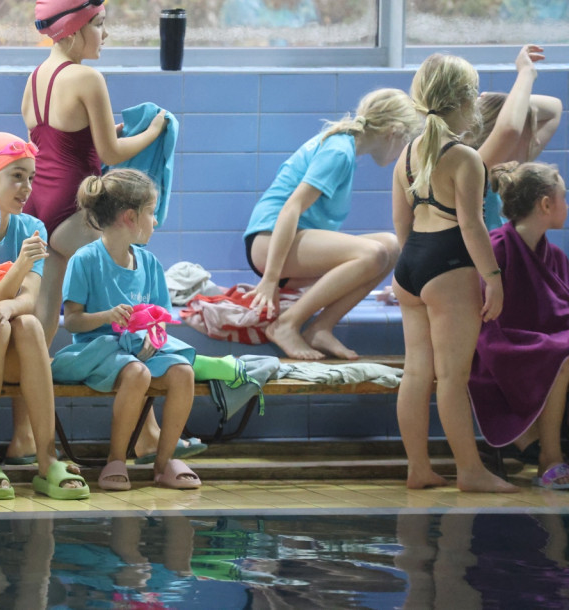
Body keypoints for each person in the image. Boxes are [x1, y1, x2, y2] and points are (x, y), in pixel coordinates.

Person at [392, 53, 517, 493]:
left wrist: (410, 267)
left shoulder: (408, 155)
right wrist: (494, 277)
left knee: (416, 372)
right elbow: (472, 224)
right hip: (449, 262)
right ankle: (469, 470)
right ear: (466, 100)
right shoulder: (465, 157)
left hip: (410, 265)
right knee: (452, 377)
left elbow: (401, 225)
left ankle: (418, 468)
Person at [21, 0, 168, 346]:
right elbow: (111, 154)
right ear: (72, 31)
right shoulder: (88, 78)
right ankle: (131, 381)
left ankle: (32, 383)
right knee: (131, 284)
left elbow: (55, 142)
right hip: (75, 205)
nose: (105, 34)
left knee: (45, 310)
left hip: (38, 203)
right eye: (99, 25)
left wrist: (104, 131)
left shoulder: (35, 78)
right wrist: (154, 130)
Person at [243, 88, 422, 360]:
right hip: (268, 243)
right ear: (394, 131)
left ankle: (321, 328)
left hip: (286, 244)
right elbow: (291, 208)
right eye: (407, 140)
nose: (402, 152)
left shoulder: (345, 147)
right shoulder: (339, 151)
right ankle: (286, 324)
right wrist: (270, 278)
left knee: (391, 246)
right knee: (372, 253)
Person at [50, 169, 200, 492]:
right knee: (137, 374)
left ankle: (164, 463)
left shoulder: (150, 264)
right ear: (130, 217)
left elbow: (161, 318)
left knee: (183, 373)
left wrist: (152, 336)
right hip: (97, 350)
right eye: (151, 212)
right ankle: (116, 459)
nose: (156, 221)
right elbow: (73, 321)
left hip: (137, 349)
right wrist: (107, 316)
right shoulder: (85, 260)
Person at [0, 132, 89, 501]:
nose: (27, 187)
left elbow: (30, 299)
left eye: (31, 177)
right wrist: (18, 267)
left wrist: (10, 303)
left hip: (8, 348)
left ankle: (46, 458)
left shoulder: (33, 228)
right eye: (16, 176)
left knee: (27, 323)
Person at [469, 162, 569, 489]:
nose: (566, 206)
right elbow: (484, 321)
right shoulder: (496, 248)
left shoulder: (553, 254)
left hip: (537, 342)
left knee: (560, 348)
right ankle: (549, 458)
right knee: (562, 354)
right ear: (545, 204)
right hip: (498, 346)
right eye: (563, 198)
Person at [466, 44, 563, 230]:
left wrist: (502, 101)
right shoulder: (475, 169)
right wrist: (526, 72)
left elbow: (555, 108)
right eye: (529, 133)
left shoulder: (499, 173)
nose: (536, 141)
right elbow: (509, 128)